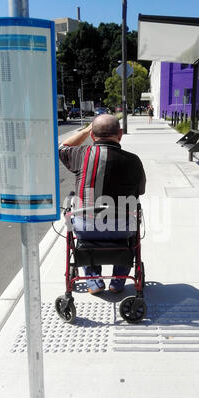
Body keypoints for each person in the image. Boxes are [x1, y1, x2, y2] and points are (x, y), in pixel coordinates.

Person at [59, 114, 146, 295]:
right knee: (130, 234)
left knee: (84, 232)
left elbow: (63, 147)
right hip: (122, 228)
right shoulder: (133, 161)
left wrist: (85, 130)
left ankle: (93, 281)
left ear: (92, 135)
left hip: (86, 226)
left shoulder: (80, 154)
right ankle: (118, 282)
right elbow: (141, 191)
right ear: (120, 134)